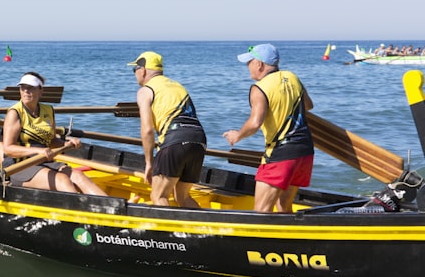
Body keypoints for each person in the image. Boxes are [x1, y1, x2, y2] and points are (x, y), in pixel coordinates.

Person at [222, 43, 314, 213]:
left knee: (261, 211)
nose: (247, 67)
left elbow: (255, 123)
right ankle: (287, 239)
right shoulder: (292, 77)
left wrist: (237, 135)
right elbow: (308, 105)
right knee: (284, 206)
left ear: (259, 64)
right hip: (305, 152)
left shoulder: (259, 88)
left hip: (281, 154)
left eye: (249, 62)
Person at [1, 72, 106, 195]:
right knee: (63, 180)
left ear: (40, 91)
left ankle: (114, 209)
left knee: (79, 177)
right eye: (23, 87)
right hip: (19, 166)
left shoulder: (48, 110)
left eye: (31, 88)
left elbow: (51, 141)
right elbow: (8, 149)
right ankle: (81, 210)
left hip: (44, 162)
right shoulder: (15, 113)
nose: (26, 91)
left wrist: (66, 143)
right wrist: (38, 151)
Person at [128, 51, 206, 207]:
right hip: (199, 139)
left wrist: (149, 162)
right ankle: (205, 229)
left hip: (175, 140)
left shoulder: (145, 91)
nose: (134, 74)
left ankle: (167, 232)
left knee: (159, 196)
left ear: (143, 70)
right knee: (183, 197)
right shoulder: (177, 85)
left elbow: (147, 130)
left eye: (134, 69)